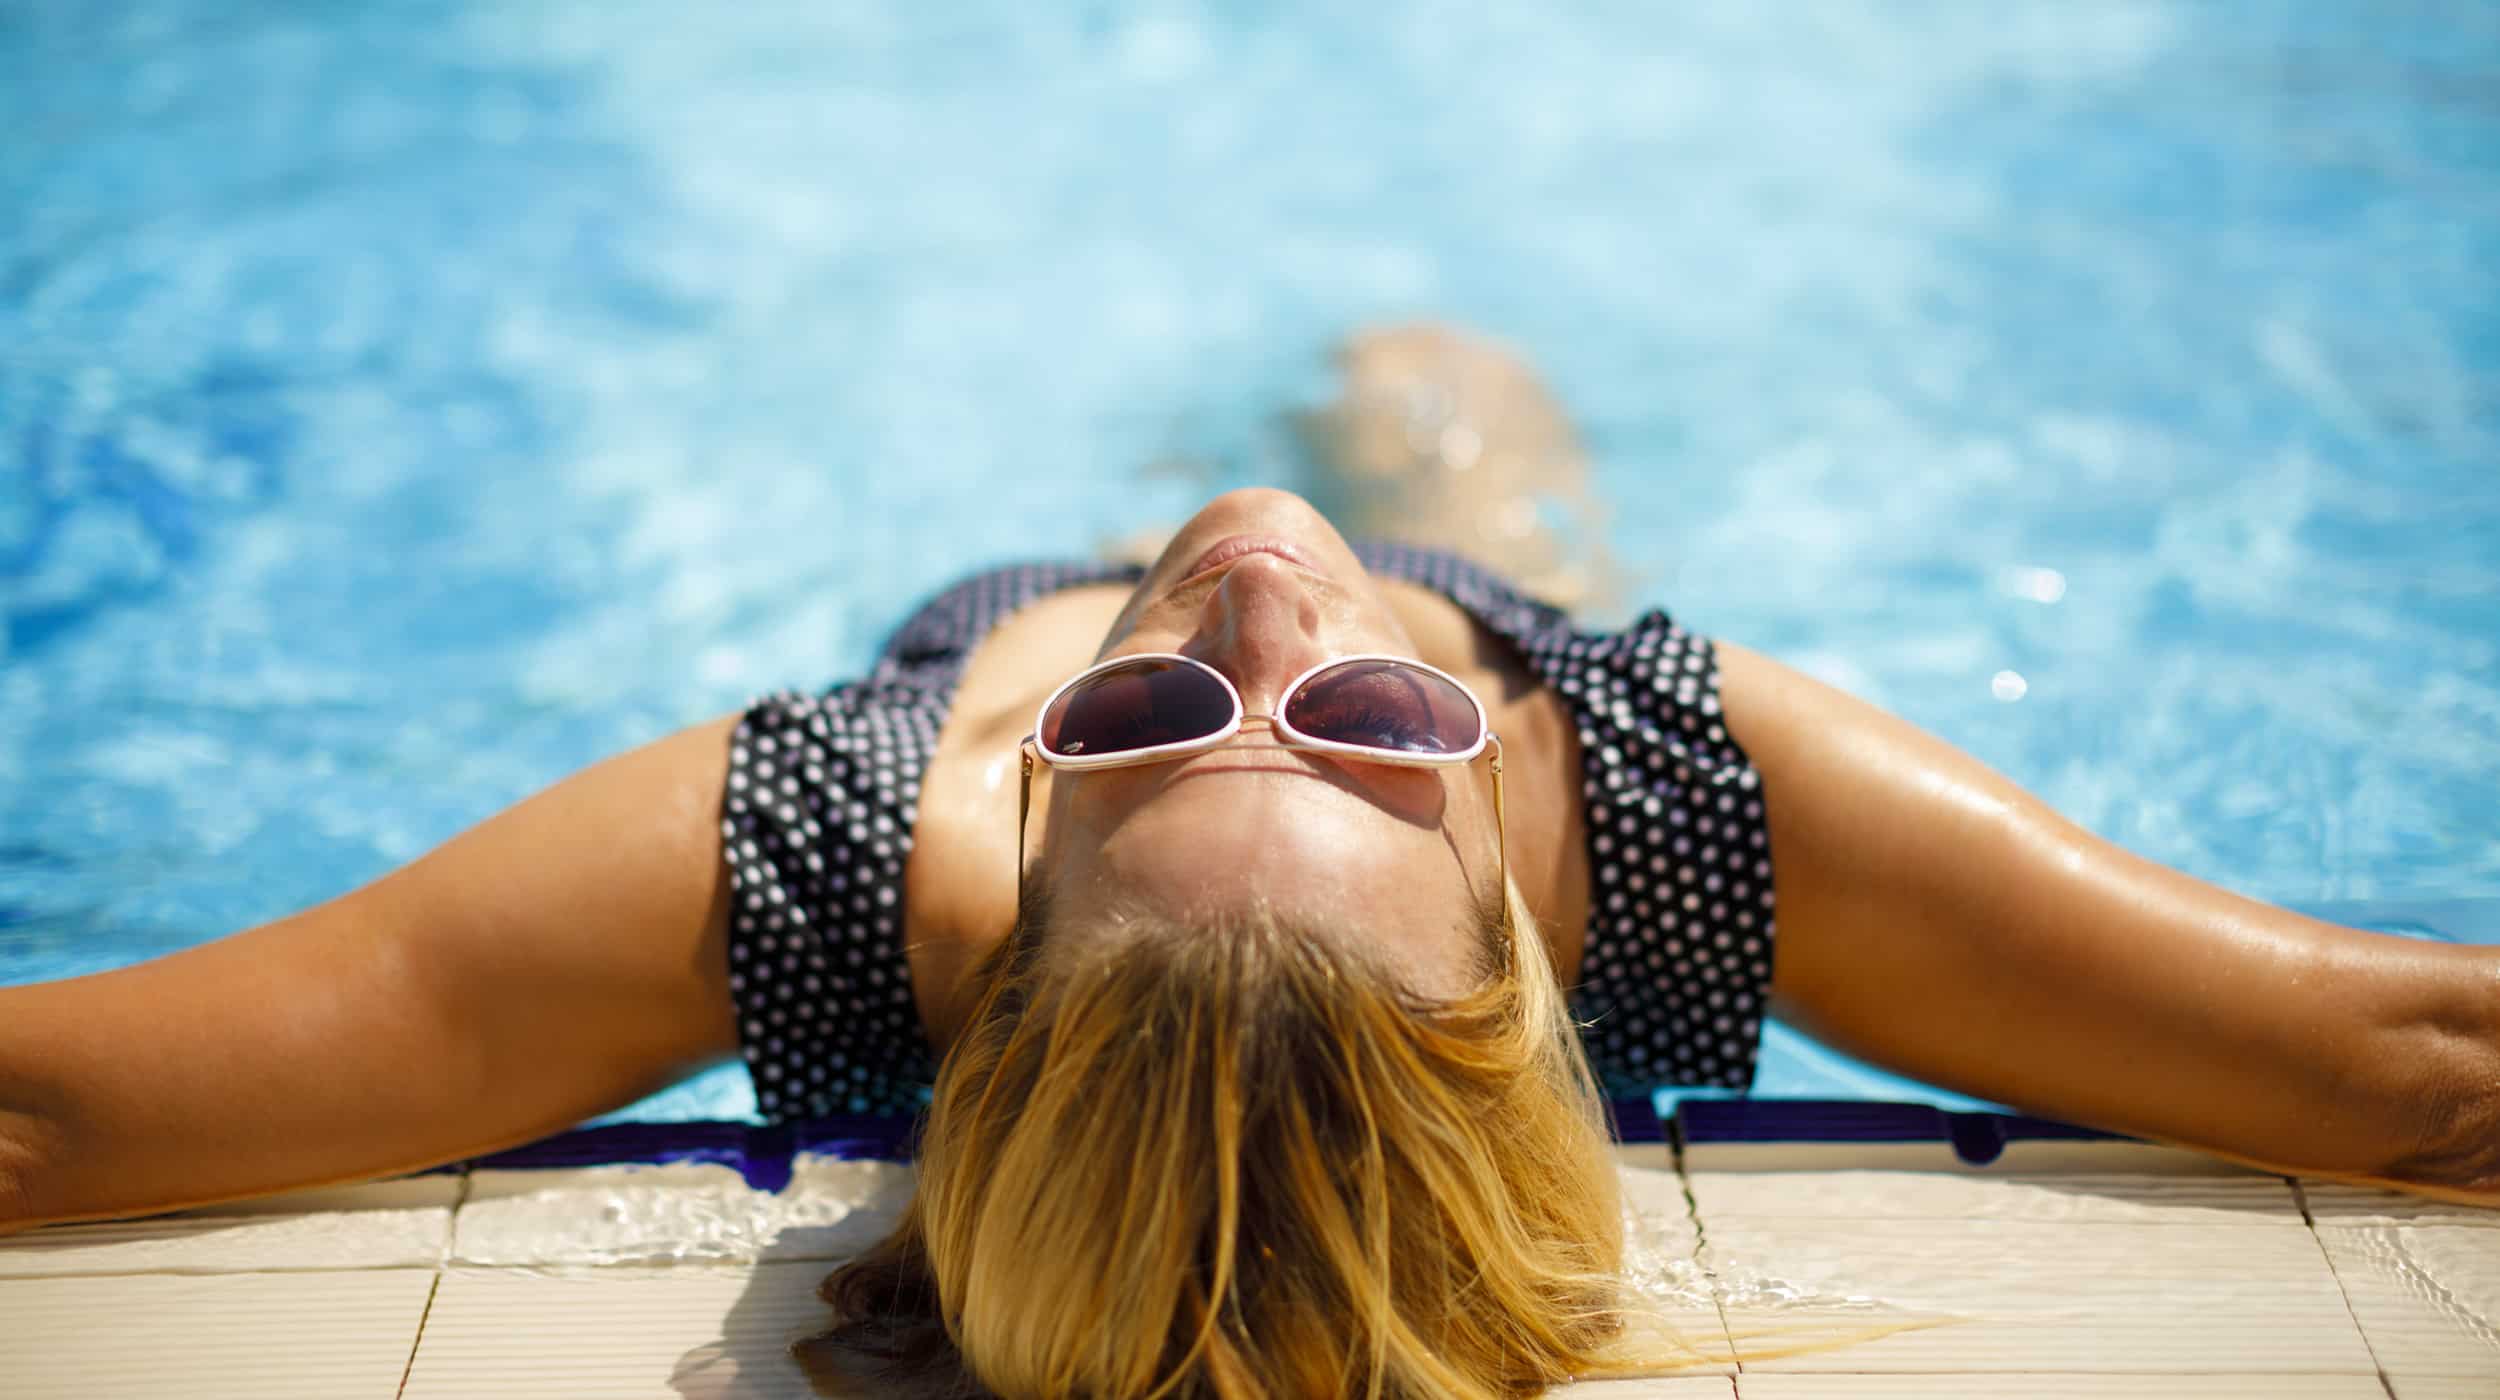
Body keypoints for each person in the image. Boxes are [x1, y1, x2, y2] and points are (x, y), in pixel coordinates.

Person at [1, 325, 2493, 1398]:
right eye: (1370, 726)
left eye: (1143, 722)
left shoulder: (843, 839)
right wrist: (1459, 644)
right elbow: (2397, 1064)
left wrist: (1108, 648)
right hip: (1512, 603)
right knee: (1437, 405)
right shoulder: (1647, 787)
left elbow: (63, 1118)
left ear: (1023, 829)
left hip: (996, 666)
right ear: (1510, 887)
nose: (1264, 598)